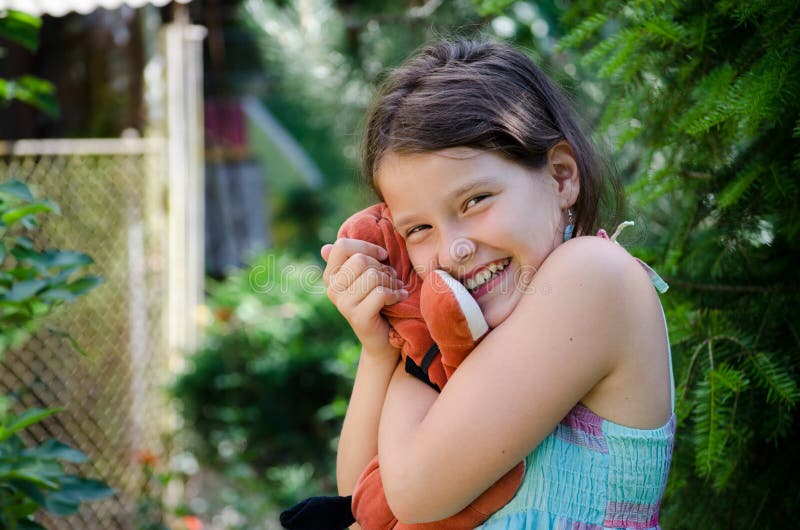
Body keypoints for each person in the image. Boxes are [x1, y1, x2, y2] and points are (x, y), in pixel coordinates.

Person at [321, 39, 674, 529]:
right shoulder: (470, 339)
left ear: (560, 176)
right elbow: (362, 500)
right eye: (418, 229)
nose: (453, 249)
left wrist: (417, 342)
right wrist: (380, 347)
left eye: (476, 200)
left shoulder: (592, 277)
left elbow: (412, 493)